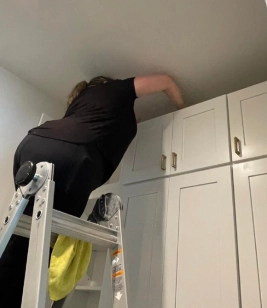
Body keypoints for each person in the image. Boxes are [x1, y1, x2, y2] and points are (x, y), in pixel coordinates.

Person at [0, 74, 184, 307]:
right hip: (75, 157)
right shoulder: (117, 89)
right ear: (106, 82)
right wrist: (183, 111)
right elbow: (165, 81)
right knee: (51, 238)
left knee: (26, 234)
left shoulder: (85, 107)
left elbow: (117, 125)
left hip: (32, 144)